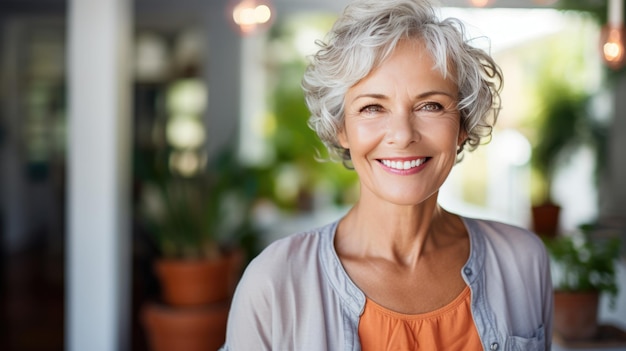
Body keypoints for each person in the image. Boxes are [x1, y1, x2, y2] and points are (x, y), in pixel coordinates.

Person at [221, 0, 553, 349]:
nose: (402, 134)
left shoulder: (523, 262)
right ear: (341, 129)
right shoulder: (274, 282)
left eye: (430, 105)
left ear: (462, 126)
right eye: (372, 107)